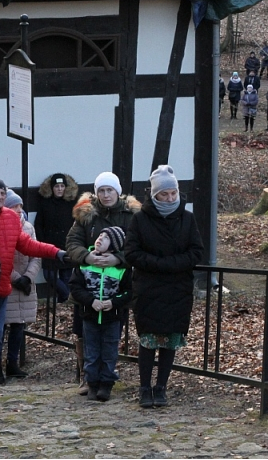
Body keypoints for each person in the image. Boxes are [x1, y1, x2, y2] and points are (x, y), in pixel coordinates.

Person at [0, 176, 68, 387]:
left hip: (1, 288)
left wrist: (56, 252)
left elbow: (28, 245)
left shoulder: (11, 218)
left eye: (2, 193)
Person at [124, 165, 204, 409]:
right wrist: (160, 264)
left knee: (171, 339)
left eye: (173, 193)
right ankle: (144, 387)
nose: (170, 198)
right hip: (149, 288)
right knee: (148, 340)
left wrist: (173, 264)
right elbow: (131, 252)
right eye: (164, 194)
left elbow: (196, 251)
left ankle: (161, 388)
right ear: (155, 195)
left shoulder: (187, 218)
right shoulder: (140, 219)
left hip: (177, 289)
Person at [65, 171, 138, 391]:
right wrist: (87, 256)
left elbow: (137, 245)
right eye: (102, 191)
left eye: (110, 190)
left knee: (110, 334)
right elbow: (72, 242)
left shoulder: (131, 215)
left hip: (117, 281)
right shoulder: (87, 214)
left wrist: (119, 258)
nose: (106, 195)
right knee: (83, 331)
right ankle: (86, 376)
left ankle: (106, 376)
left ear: (118, 191)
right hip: (89, 281)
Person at [70, 226, 132, 402]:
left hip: (112, 316)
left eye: (105, 238)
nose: (99, 239)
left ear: (113, 246)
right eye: (99, 235)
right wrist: (90, 301)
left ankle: (106, 383)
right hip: (90, 315)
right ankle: (92, 382)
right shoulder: (85, 263)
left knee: (109, 351)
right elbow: (75, 286)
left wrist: (113, 302)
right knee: (91, 350)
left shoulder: (121, 268)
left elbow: (129, 291)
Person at [1, 190, 40, 379]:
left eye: (19, 206)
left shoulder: (28, 228)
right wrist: (15, 278)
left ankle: (12, 363)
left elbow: (36, 255)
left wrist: (28, 277)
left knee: (19, 327)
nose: (18, 210)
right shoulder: (1, 227)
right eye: (13, 206)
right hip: (8, 283)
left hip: (25, 284)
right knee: (0, 327)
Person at [35, 173, 78, 304]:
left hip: (67, 245)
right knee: (49, 274)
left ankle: (62, 302)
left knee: (66, 276)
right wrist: (41, 242)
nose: (59, 189)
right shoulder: (45, 204)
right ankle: (67, 296)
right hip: (49, 246)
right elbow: (38, 225)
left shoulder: (71, 204)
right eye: (56, 186)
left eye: (62, 186)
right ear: (51, 188)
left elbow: (77, 224)